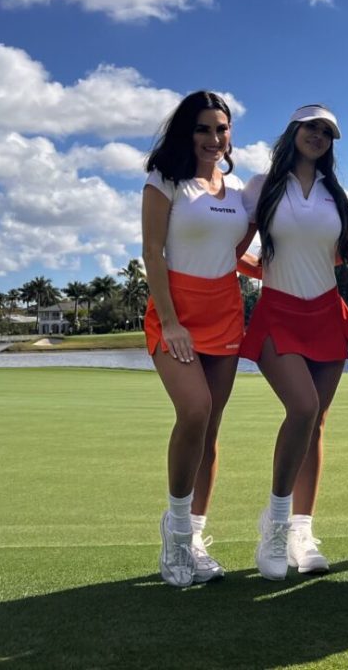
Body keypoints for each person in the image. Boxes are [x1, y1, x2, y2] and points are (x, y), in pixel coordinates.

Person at [238, 105, 348, 581]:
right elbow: (236, 250)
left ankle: (301, 532)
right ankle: (274, 523)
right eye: (312, 128)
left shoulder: (336, 195)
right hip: (278, 312)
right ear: (293, 131)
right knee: (303, 407)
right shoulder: (262, 185)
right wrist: (262, 272)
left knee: (316, 424)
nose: (319, 137)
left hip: (327, 313)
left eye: (328, 132)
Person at [141, 91, 252, 587]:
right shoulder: (165, 180)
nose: (214, 138)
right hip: (176, 315)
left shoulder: (238, 191)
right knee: (194, 410)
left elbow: (234, 254)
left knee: (212, 427)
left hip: (226, 312)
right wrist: (170, 321)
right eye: (204, 128)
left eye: (221, 129)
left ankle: (197, 535)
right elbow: (152, 251)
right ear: (188, 132)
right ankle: (177, 528)